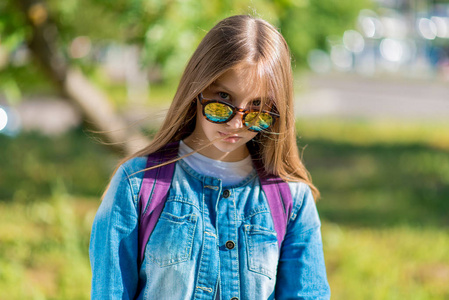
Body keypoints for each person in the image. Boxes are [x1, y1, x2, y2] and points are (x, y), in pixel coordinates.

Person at [89, 14, 330, 300]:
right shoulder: (136, 184)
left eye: (257, 108)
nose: (236, 124)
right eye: (223, 100)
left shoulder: (291, 199)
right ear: (198, 89)